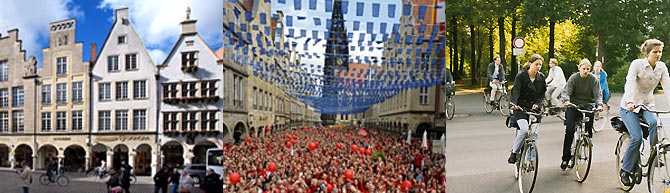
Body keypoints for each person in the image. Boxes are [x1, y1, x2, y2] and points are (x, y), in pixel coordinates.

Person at [619, 39, 670, 186]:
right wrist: (629, 101)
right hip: (630, 106)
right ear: (647, 53)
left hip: (647, 104)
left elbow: (667, 87)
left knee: (654, 123)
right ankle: (625, 170)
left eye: (660, 51)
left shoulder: (661, 67)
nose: (658, 54)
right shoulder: (637, 64)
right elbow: (629, 82)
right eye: (655, 52)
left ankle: (654, 154)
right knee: (637, 137)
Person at [559, 58, 602, 170]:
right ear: (579, 68)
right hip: (573, 104)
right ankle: (565, 158)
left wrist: (599, 105)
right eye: (584, 69)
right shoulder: (574, 78)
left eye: (588, 69)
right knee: (569, 130)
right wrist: (566, 101)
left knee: (590, 113)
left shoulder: (593, 80)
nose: (586, 71)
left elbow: (597, 95)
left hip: (587, 103)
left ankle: (588, 137)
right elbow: (566, 92)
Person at [507, 54, 547, 164]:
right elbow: (515, 91)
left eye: (540, 65)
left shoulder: (541, 77)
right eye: (536, 64)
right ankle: (514, 153)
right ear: (530, 64)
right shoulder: (521, 76)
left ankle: (531, 159)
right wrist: (513, 104)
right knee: (524, 130)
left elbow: (542, 93)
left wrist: (538, 104)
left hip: (534, 109)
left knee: (533, 134)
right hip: (520, 107)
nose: (538, 67)